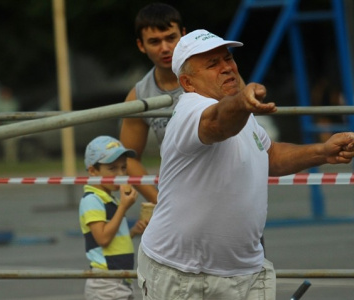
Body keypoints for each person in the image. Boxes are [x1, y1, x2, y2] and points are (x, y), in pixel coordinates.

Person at [137, 29, 354, 300]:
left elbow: (270, 155)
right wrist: (241, 101)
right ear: (188, 83)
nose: (226, 67)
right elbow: (217, 123)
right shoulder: (191, 109)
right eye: (212, 64)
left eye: (227, 59)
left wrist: (322, 152)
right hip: (183, 275)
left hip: (245, 273)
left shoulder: (238, 111)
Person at [119, 2, 186, 204]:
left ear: (183, 34)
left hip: (228, 191)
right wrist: (160, 201)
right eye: (155, 41)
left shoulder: (215, 73)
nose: (165, 48)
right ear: (141, 45)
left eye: (171, 38)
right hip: (180, 197)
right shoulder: (139, 95)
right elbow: (128, 158)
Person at [79, 135, 148, 300]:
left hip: (120, 279)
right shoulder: (92, 199)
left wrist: (132, 232)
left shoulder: (110, 199)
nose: (120, 174)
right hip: (106, 281)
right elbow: (102, 238)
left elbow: (113, 239)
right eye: (112, 169)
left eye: (123, 168)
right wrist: (123, 207)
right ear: (92, 171)